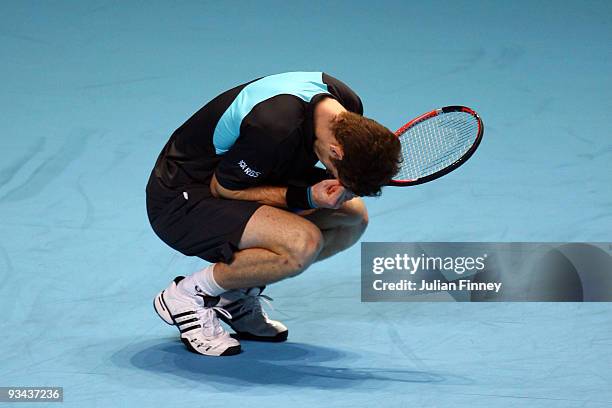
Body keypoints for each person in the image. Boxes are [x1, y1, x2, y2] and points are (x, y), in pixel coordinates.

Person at [146, 72, 400, 356]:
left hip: (256, 172)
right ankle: (189, 294)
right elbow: (225, 188)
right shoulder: (275, 127)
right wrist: (306, 197)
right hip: (182, 198)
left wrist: (341, 188)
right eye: (339, 174)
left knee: (351, 216)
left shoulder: (346, 105)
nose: (337, 181)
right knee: (302, 243)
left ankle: (235, 294)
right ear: (335, 151)